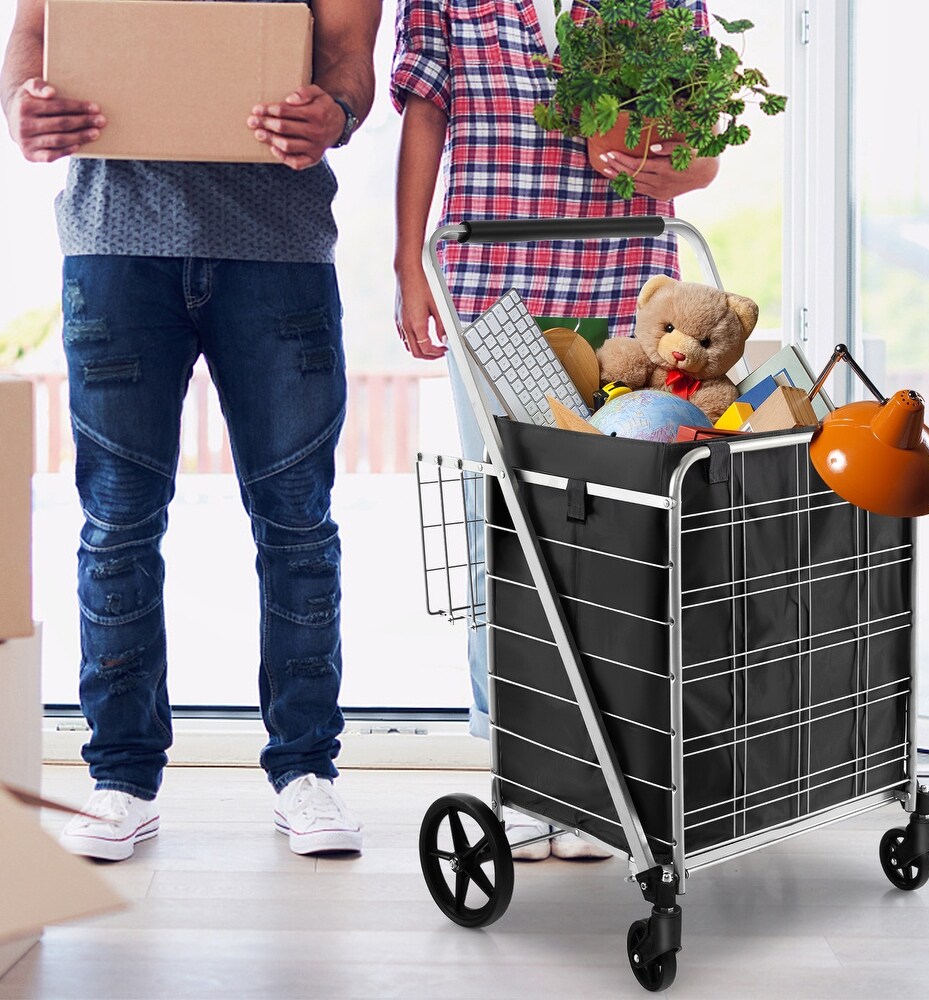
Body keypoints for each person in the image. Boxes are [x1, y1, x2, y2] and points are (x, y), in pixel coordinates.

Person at [1, 0, 380, 861]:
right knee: (118, 522)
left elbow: (349, 55)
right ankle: (121, 779)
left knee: (296, 521)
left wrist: (338, 112)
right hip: (114, 244)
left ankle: (305, 771)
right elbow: (35, 23)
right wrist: (22, 97)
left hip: (278, 248)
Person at [391, 0, 718, 859]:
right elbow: (426, 110)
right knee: (507, 523)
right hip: (491, 280)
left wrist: (673, 174)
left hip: (626, 285)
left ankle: (607, 774)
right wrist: (406, 261)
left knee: (616, 530)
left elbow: (703, 150)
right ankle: (523, 764)